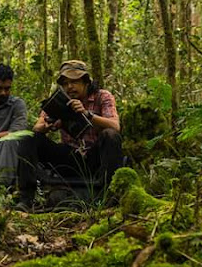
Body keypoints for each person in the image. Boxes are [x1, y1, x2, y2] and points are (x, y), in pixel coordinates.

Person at [17, 60, 123, 209]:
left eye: (74, 82)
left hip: (95, 158)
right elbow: (38, 126)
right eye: (66, 83)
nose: (70, 87)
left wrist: (87, 114)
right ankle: (26, 198)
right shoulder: (60, 100)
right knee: (28, 138)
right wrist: (47, 125)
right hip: (70, 157)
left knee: (110, 135)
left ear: (86, 82)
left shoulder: (102, 96)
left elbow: (115, 126)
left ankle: (109, 196)